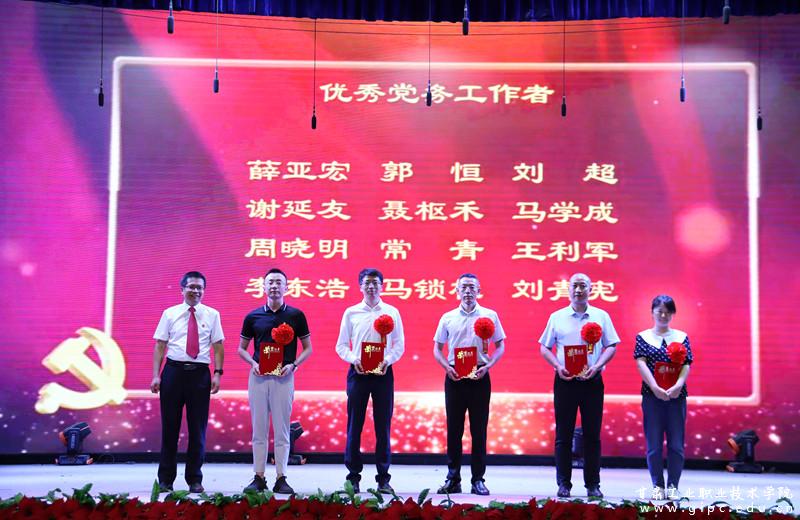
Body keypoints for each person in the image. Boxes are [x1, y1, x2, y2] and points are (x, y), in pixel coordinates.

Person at [539, 273, 619, 499]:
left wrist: (598, 366)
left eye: (583, 286)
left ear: (590, 289)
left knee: (592, 435)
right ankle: (564, 483)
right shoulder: (557, 317)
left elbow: (612, 345)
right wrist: (557, 366)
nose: (578, 290)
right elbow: (544, 347)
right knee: (563, 435)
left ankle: (593, 484)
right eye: (574, 286)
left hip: (592, 381)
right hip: (565, 381)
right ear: (568, 289)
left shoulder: (601, 316)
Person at [239, 268, 313, 495]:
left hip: (284, 378)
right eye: (270, 282)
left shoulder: (296, 315)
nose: (274, 286)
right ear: (263, 286)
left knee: (282, 429)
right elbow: (241, 349)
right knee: (259, 429)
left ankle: (281, 477)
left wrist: (294, 365)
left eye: (278, 282)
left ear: (286, 287)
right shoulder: (253, 316)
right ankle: (259, 476)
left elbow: (308, 348)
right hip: (258, 378)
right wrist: (253, 363)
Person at [151, 271, 224, 494]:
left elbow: (218, 346)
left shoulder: (212, 315)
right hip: (173, 372)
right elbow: (160, 345)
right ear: (182, 289)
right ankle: (165, 479)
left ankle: (194, 479)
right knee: (170, 428)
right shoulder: (169, 313)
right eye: (191, 287)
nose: (195, 291)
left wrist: (217, 373)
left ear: (204, 291)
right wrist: (156, 375)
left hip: (200, 375)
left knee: (197, 429)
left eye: (200, 287)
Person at [433, 273, 505, 496]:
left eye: (472, 287)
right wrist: (447, 367)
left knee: (479, 430)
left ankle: (478, 480)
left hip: (480, 377)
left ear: (479, 291)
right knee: (454, 430)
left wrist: (488, 365)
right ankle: (453, 478)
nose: (467, 291)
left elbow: (500, 345)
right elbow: (437, 349)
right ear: (456, 291)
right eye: (463, 287)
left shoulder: (490, 315)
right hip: (455, 377)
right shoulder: (448, 317)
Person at [335, 268, 405, 493]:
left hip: (383, 373)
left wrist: (387, 361)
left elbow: (399, 345)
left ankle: (383, 478)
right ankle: (353, 477)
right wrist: (353, 359)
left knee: (383, 426)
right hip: (358, 372)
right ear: (360, 286)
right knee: (354, 425)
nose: (371, 287)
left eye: (375, 283)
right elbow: (341, 345)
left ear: (382, 286)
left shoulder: (392, 312)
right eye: (367, 283)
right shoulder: (351, 313)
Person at [634, 295, 693, 500]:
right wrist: (654, 387)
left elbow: (686, 364)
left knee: (676, 445)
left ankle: (674, 486)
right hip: (652, 397)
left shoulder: (682, 337)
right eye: (659, 311)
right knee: (654, 445)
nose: (663, 315)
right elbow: (640, 363)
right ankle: (658, 485)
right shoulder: (643, 337)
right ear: (652, 312)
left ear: (673, 314)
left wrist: (678, 385)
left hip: (676, 397)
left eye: (668, 311)